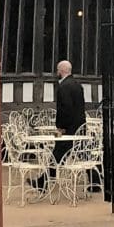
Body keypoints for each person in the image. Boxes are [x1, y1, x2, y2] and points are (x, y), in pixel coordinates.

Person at [34, 59, 84, 191]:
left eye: (57, 70)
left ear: (61, 71)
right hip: (79, 126)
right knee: (81, 153)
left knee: (57, 154)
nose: (57, 72)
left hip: (67, 128)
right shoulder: (77, 85)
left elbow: (65, 109)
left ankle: (43, 182)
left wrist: (60, 127)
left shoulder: (63, 87)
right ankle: (95, 180)